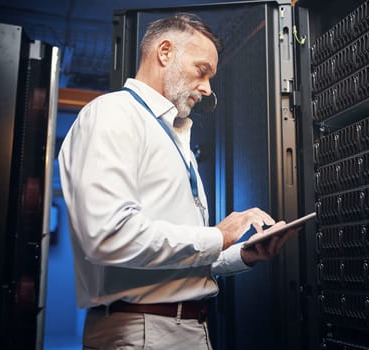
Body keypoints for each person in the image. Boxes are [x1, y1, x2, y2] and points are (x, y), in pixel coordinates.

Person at [58, 12, 297, 350]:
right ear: (165, 52)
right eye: (203, 71)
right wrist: (218, 234)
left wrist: (239, 253)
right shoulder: (113, 114)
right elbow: (108, 235)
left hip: (178, 327)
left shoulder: (171, 131)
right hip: (142, 331)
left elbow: (171, 261)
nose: (207, 88)